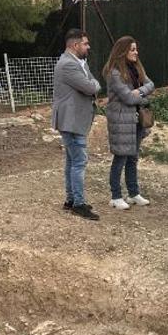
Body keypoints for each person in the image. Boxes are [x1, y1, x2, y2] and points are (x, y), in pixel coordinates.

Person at [52, 29, 103, 220]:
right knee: (79, 161)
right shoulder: (68, 65)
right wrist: (94, 85)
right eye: (85, 43)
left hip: (74, 120)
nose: (88, 47)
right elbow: (91, 86)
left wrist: (92, 84)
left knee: (72, 161)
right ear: (75, 45)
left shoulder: (79, 62)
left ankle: (71, 200)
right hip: (71, 121)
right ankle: (78, 204)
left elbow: (91, 82)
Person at [102, 36, 155, 210]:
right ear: (123, 51)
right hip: (121, 121)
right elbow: (127, 98)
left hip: (137, 119)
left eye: (136, 49)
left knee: (133, 157)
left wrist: (138, 92)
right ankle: (115, 196)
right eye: (132, 49)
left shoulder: (137, 69)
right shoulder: (114, 73)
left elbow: (151, 84)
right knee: (120, 157)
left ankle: (133, 193)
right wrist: (142, 96)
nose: (136, 52)